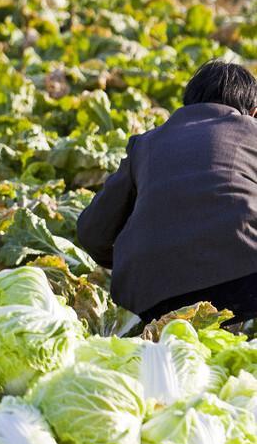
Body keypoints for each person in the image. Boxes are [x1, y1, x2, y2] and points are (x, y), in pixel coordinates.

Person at [76, 60, 257, 325]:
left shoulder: (146, 143)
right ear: (253, 112)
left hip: (152, 301)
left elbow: (92, 233)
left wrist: (150, 261)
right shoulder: (252, 131)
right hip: (246, 280)